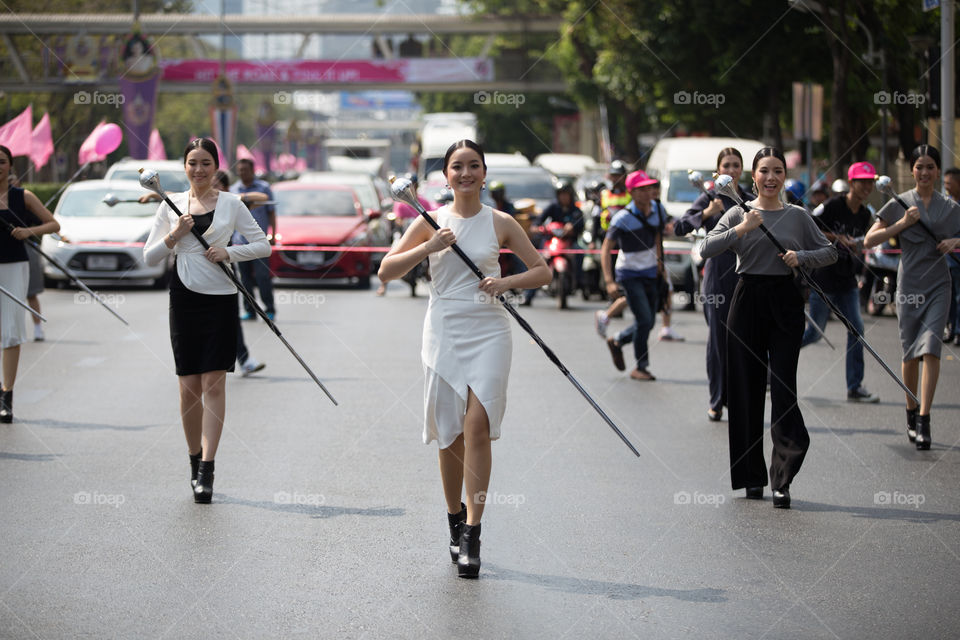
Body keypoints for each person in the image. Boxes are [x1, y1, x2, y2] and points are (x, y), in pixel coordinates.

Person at [377, 139, 550, 578]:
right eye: (458, 167)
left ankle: (473, 533)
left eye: (474, 166)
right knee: (450, 434)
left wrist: (504, 283)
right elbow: (386, 270)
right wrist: (429, 245)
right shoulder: (429, 221)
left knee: (478, 425)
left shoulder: (502, 222)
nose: (466, 173)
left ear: (484, 173)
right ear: (446, 175)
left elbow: (543, 271)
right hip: (444, 330)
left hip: (489, 328)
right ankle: (454, 521)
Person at [700, 147, 836, 508]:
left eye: (777, 171)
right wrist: (741, 229)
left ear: (784, 177)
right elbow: (705, 248)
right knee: (745, 389)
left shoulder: (798, 216)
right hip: (746, 301)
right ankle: (751, 477)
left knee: (782, 386)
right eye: (764, 171)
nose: (771, 177)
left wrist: (801, 257)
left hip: (785, 300)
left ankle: (783, 477)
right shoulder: (737, 211)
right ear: (753, 176)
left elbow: (830, 253)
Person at [143, 138, 271, 503]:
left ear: (216, 166)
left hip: (221, 300)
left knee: (214, 383)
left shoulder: (231, 203)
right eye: (192, 162)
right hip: (183, 299)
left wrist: (229, 251)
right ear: (184, 166)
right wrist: (175, 235)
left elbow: (263, 244)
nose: (199, 169)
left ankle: (208, 468)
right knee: (188, 387)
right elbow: (148, 257)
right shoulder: (170, 205)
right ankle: (193, 458)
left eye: (205, 163)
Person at [865, 145, 960, 450]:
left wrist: (955, 241)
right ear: (913, 171)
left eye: (930, 166)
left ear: (937, 170)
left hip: (938, 285)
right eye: (919, 167)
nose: (924, 172)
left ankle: (925, 418)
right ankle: (910, 409)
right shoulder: (900, 203)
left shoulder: (951, 206)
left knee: (931, 348)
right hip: (908, 286)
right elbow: (870, 239)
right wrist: (902, 223)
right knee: (910, 353)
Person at [674, 147, 753, 421]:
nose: (731, 170)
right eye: (726, 165)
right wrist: (707, 212)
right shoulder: (709, 198)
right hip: (718, 274)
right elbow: (680, 226)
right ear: (718, 170)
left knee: (745, 339)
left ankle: (739, 398)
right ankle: (717, 399)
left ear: (742, 170)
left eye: (736, 165)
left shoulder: (751, 199)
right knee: (719, 340)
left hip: (748, 274)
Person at [801, 161, 879, 403]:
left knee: (857, 330)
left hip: (846, 280)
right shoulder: (832, 205)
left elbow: (861, 242)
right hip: (823, 278)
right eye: (862, 181)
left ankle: (854, 387)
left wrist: (857, 246)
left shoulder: (866, 214)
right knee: (815, 333)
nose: (867, 186)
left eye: (870, 182)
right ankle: (773, 366)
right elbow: (807, 227)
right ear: (851, 182)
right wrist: (837, 237)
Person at [0, 145, 60, 422]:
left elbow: (53, 224)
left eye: (2, 162)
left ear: (10, 166)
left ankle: (7, 395)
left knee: (11, 330)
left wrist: (28, 231)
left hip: (13, 266)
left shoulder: (22, 196)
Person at [600, 170, 667, 381]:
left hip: (650, 273)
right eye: (642, 189)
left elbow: (658, 235)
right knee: (644, 319)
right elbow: (605, 248)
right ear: (632, 192)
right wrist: (609, 281)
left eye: (650, 188)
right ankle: (641, 367)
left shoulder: (657, 209)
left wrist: (659, 263)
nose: (648, 192)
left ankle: (618, 340)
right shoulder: (622, 218)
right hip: (629, 274)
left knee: (648, 320)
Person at [522, 180, 584, 306]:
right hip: (551, 241)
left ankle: (580, 284)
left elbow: (580, 224)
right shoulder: (553, 207)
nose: (564, 197)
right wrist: (536, 227)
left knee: (580, 254)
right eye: (561, 194)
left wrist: (572, 228)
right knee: (537, 263)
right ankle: (528, 296)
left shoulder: (576, 210)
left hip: (569, 243)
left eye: (566, 194)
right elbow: (539, 221)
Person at [231, 158, 276, 321]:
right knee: (245, 280)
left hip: (259, 243)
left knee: (262, 277)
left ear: (252, 170)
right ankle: (250, 310)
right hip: (240, 243)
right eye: (240, 170)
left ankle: (269, 309)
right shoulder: (233, 189)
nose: (242, 173)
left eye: (245, 170)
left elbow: (271, 212)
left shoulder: (263, 188)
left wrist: (273, 234)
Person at [377, 173, 435, 297]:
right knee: (393, 248)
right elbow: (398, 219)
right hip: (404, 233)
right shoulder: (400, 203)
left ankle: (428, 272)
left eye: (413, 185)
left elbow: (431, 217)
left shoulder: (424, 201)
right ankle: (383, 285)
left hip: (423, 235)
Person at [943, 167, 960, 345]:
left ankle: (958, 331)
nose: (946, 186)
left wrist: (956, 242)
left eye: (950, 183)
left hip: (958, 262)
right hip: (946, 262)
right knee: (949, 298)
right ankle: (950, 328)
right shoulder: (945, 204)